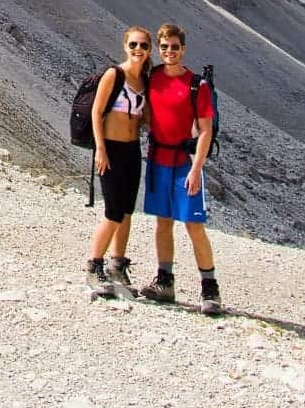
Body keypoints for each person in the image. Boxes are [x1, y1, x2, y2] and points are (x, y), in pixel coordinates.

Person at [140, 22, 221, 316]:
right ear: (159, 49)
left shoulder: (195, 85)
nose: (170, 52)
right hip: (159, 160)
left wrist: (197, 168)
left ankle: (210, 288)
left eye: (175, 47)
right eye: (164, 47)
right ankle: (165, 282)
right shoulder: (153, 78)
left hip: (185, 165)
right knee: (162, 222)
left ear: (183, 49)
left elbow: (205, 130)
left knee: (193, 225)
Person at [85, 26, 151, 296]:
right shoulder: (115, 74)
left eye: (144, 46)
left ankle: (117, 265)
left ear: (149, 51)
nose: (138, 50)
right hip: (110, 149)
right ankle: (94, 266)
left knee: (126, 212)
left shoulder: (144, 81)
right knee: (112, 212)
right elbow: (96, 111)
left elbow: (145, 118)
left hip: (132, 150)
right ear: (126, 46)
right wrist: (100, 149)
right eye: (134, 45)